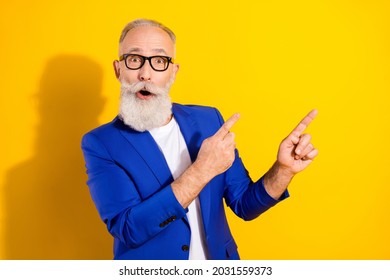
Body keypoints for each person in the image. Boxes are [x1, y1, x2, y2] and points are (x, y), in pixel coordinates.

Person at [81, 19, 318, 260]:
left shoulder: (209, 121)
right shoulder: (100, 143)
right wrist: (202, 170)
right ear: (118, 69)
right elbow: (128, 229)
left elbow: (245, 205)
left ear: (173, 72)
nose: (145, 73)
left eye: (159, 61)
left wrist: (284, 170)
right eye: (134, 59)